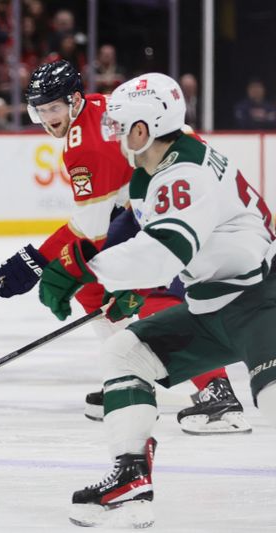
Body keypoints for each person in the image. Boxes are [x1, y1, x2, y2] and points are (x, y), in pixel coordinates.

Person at [37, 72, 276, 528]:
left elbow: (166, 251)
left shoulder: (182, 173)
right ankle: (130, 476)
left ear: (142, 130)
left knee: (273, 400)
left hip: (262, 300)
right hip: (213, 305)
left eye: (118, 125)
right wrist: (130, 289)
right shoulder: (156, 171)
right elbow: (161, 244)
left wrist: (83, 268)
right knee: (125, 353)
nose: (110, 133)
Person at [0, 60, 250, 434]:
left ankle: (218, 393)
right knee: (95, 287)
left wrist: (35, 260)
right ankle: (131, 376)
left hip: (184, 198)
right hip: (178, 189)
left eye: (54, 108)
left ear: (74, 100)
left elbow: (91, 232)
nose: (48, 118)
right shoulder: (96, 106)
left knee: (153, 291)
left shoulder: (85, 147)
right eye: (41, 110)